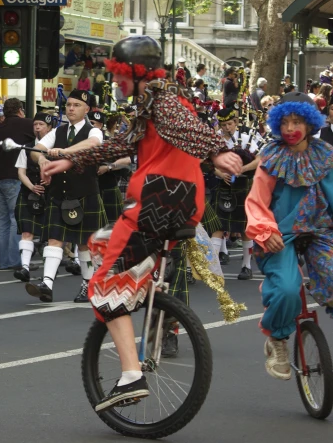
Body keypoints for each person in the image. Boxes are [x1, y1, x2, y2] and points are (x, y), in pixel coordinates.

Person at [42, 36, 242, 411]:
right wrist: (70, 160)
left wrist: (219, 151)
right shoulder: (156, 101)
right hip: (181, 203)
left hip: (157, 200)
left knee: (102, 286)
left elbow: (186, 127)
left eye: (119, 75)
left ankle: (131, 375)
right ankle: (147, 292)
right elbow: (120, 145)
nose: (116, 82)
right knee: (103, 243)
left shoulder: (164, 102)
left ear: (136, 72)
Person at [245, 92, 333, 380]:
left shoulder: (326, 156)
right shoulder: (271, 157)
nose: (289, 129)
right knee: (286, 289)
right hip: (279, 233)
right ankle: (278, 339)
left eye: (296, 121)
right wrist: (265, 230)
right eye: (284, 122)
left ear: (309, 124)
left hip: (319, 228)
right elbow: (256, 202)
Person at [26, 90, 107, 303]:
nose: (71, 108)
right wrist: (42, 160)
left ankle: (88, 285)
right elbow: (37, 149)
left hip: (84, 194)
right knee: (55, 238)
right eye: (69, 104)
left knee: (84, 244)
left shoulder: (94, 132)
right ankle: (47, 284)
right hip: (59, 195)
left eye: (76, 105)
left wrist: (64, 152)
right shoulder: (58, 131)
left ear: (87, 109)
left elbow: (92, 146)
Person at [209, 108, 260, 279]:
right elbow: (207, 160)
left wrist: (242, 168)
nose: (227, 128)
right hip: (223, 186)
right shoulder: (216, 140)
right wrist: (219, 173)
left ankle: (246, 265)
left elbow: (260, 159)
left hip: (244, 184)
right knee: (218, 225)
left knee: (245, 226)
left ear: (236, 123)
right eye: (223, 125)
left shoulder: (246, 138)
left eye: (230, 124)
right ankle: (215, 269)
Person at [0, 98, 34, 271]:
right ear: (20, 110)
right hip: (15, 176)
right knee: (16, 219)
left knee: (4, 220)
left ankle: (4, 261)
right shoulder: (27, 125)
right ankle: (16, 260)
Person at [13, 112, 54, 282]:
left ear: (49, 128)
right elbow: (21, 172)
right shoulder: (27, 147)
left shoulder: (56, 148)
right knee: (27, 231)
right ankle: (25, 267)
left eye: (41, 124)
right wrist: (32, 187)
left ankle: (51, 268)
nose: (37, 127)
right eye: (35, 124)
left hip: (51, 194)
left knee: (52, 235)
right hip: (29, 193)